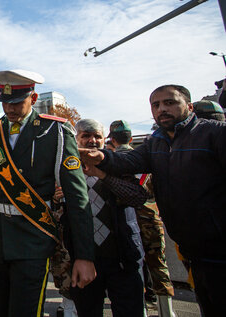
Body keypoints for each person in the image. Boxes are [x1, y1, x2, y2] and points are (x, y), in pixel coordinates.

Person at [0, 70, 96, 317]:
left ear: (34, 97)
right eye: (4, 102)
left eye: (16, 102)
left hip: (33, 237)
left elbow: (77, 197)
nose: (9, 109)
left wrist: (84, 256)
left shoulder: (56, 131)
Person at [79, 85, 226, 317]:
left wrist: (103, 171)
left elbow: (136, 195)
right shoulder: (156, 142)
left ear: (188, 106)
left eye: (170, 103)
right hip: (192, 249)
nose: (162, 109)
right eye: (156, 105)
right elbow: (129, 161)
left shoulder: (215, 134)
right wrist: (103, 157)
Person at [66, 119, 147, 317]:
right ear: (76, 139)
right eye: (86, 136)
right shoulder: (66, 168)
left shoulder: (117, 163)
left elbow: (137, 197)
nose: (92, 141)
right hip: (86, 258)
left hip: (123, 256)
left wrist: (102, 174)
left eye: (97, 136)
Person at [107, 119, 176, 317]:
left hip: (125, 220)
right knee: (158, 263)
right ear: (130, 137)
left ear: (112, 138)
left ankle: (142, 308)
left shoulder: (111, 160)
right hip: (151, 217)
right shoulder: (148, 158)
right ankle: (167, 310)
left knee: (132, 266)